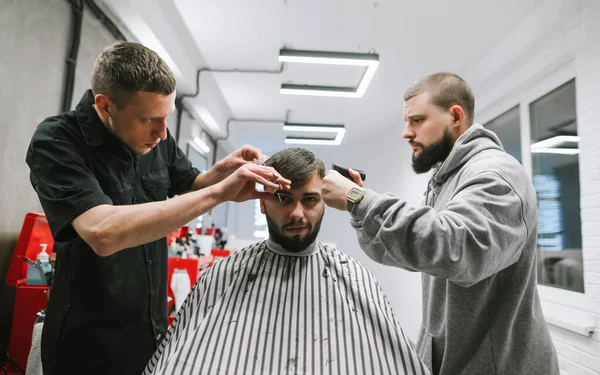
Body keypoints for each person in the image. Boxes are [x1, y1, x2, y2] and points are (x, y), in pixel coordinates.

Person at [25, 41, 290, 375]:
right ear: (105, 106)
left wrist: (222, 173)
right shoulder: (57, 140)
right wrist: (220, 194)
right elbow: (102, 232)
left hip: (150, 338)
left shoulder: (154, 139)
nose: (162, 134)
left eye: (166, 117)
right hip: (87, 351)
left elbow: (193, 185)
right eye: (149, 119)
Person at [321, 72, 559, 375]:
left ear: (455, 116)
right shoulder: (447, 179)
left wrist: (359, 198)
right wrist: (360, 210)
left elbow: (455, 250)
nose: (406, 133)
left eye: (417, 120)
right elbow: (413, 251)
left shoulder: (495, 175)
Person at [143, 148, 430, 375]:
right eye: (283, 198)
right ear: (262, 201)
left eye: (309, 200)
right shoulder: (224, 274)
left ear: (326, 204)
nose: (296, 213)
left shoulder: (355, 278)